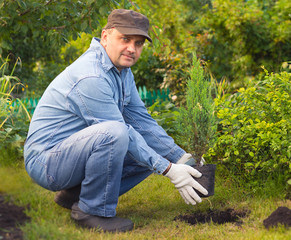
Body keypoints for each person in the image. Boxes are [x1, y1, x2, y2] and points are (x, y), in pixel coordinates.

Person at [24, 9, 207, 233]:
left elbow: (141, 121)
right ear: (105, 36)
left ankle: (75, 195)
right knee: (116, 133)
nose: (132, 48)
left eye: (138, 43)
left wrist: (182, 158)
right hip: (46, 162)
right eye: (125, 39)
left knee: (141, 144)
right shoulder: (91, 75)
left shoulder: (121, 71)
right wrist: (168, 169)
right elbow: (121, 133)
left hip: (70, 154)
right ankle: (91, 211)